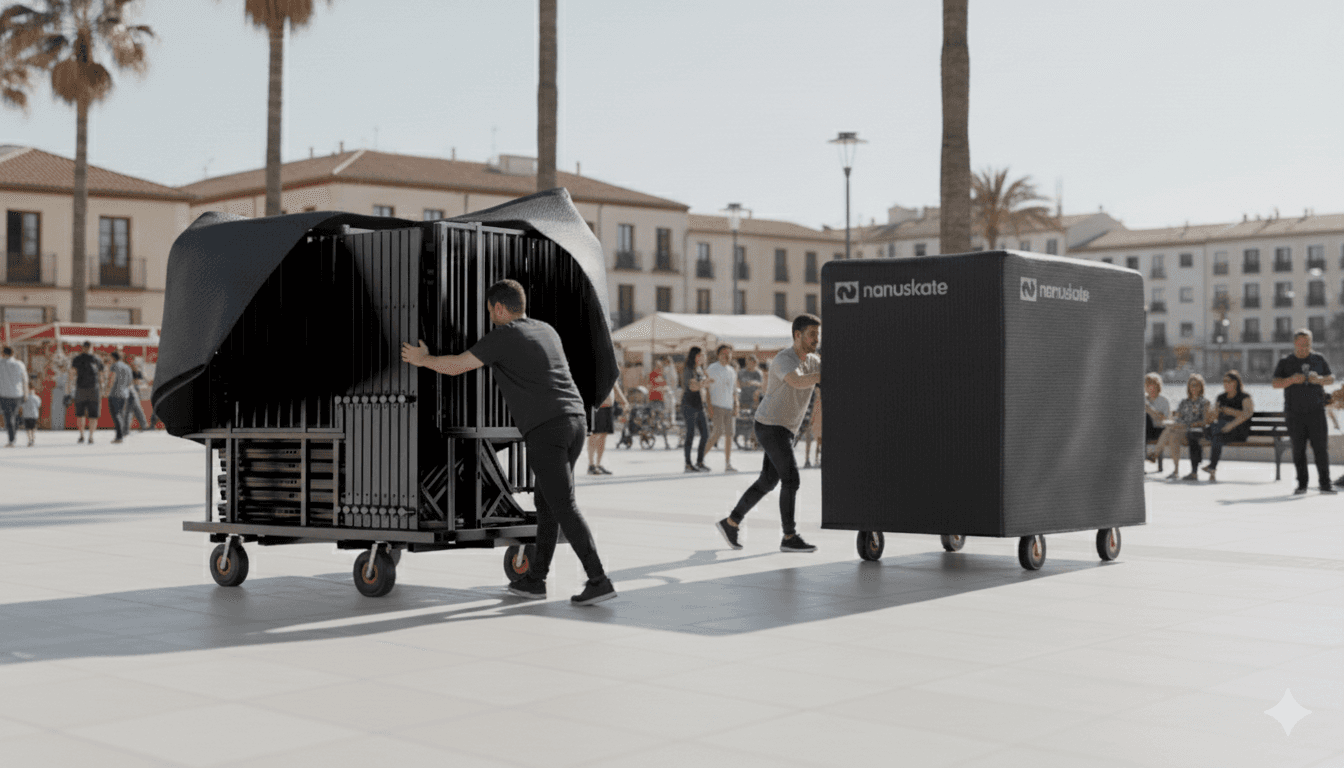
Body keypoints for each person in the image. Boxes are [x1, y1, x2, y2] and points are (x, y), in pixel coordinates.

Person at [401, 278, 617, 605]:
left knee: (564, 505)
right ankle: (535, 580)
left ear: (500, 308)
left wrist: (423, 360)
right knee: (547, 505)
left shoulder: (503, 337)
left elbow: (458, 366)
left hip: (547, 429)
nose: (490, 317)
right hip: (575, 422)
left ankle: (598, 579)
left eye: (490, 311)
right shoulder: (545, 329)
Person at [715, 314, 822, 553]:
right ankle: (789, 536)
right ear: (798, 335)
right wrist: (819, 377)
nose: (817, 338)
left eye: (818, 334)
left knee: (768, 481)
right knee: (791, 478)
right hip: (770, 425)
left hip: (786, 428)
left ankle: (731, 522)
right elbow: (796, 380)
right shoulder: (785, 359)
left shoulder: (814, 361)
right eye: (812, 334)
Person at [1272, 329, 1336, 494]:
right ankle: (1302, 484)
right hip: (1294, 413)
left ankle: (1325, 483)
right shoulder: (1285, 361)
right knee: (1298, 449)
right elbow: (1275, 383)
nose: (1304, 348)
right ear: (1295, 343)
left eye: (1307, 344)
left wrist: (1320, 380)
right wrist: (1292, 379)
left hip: (1316, 412)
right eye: (1301, 344)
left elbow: (1331, 378)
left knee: (1321, 448)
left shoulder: (1318, 359)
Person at [1154, 373, 1211, 481]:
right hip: (1182, 431)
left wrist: (1188, 424)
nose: (1194, 388)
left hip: (1195, 432)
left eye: (1196, 385)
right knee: (1173, 435)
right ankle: (1175, 471)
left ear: (1201, 387)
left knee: (1170, 429)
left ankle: (1155, 454)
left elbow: (1205, 422)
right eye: (1191, 385)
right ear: (1188, 387)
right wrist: (1174, 420)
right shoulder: (1184, 402)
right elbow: (1178, 417)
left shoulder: (1205, 403)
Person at [1201, 370, 1253, 482]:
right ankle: (1212, 468)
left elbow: (1248, 414)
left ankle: (1211, 466)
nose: (1226, 383)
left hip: (1237, 430)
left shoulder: (1245, 397)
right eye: (1224, 381)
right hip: (1221, 430)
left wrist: (1231, 415)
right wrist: (1210, 412)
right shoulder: (1221, 397)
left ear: (1236, 382)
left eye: (1229, 381)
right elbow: (1214, 417)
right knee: (1217, 436)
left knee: (1214, 431)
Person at [704, 344, 740, 472]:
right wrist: (709, 407)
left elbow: (734, 390)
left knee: (730, 435)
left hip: (729, 406)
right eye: (724, 353)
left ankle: (728, 464)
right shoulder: (712, 369)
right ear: (719, 355)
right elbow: (707, 390)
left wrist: (736, 404)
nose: (727, 355)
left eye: (729, 353)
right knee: (717, 433)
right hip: (716, 405)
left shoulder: (732, 371)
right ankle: (700, 458)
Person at [680, 346, 711, 472]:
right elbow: (692, 387)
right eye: (701, 355)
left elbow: (701, 387)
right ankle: (688, 464)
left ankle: (700, 461)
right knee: (690, 434)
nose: (703, 357)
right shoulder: (688, 369)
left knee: (705, 434)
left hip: (699, 405)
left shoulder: (700, 369)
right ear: (695, 356)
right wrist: (704, 383)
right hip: (689, 404)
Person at [586, 381, 627, 475]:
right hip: (596, 406)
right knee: (594, 434)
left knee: (603, 435)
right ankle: (591, 465)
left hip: (608, 406)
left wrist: (624, 401)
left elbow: (615, 386)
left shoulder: (610, 367)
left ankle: (598, 464)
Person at [71, 341, 103, 444]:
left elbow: (101, 376)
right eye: (87, 347)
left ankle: (87, 436)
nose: (88, 349)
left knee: (88, 414)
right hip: (86, 389)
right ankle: (85, 436)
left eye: (88, 347)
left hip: (88, 389)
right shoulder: (80, 359)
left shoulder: (95, 360)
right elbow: (72, 374)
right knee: (84, 414)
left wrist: (101, 388)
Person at [0, 347, 27, 448]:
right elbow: (25, 380)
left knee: (8, 416)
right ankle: (13, 436)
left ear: (3, 353)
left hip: (4, 394)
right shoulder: (19, 364)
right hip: (17, 394)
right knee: (14, 415)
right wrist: (26, 393)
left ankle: (11, 439)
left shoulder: (0, 363)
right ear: (13, 353)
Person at [106, 351, 134, 444]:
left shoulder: (114, 366)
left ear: (113, 358)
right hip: (124, 394)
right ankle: (122, 433)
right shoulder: (127, 367)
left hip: (114, 393)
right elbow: (130, 381)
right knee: (121, 414)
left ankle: (119, 436)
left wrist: (107, 390)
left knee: (116, 415)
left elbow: (112, 378)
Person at [1143, 372, 1170, 462]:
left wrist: (1150, 410)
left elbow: (1165, 420)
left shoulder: (1163, 401)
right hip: (1145, 430)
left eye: (1150, 384)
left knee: (1146, 418)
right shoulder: (1143, 399)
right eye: (1146, 384)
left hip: (1158, 430)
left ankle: (1147, 458)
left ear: (1157, 385)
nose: (1147, 387)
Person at [123, 355, 152, 432]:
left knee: (131, 409)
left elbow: (138, 380)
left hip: (132, 389)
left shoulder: (131, 368)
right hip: (134, 389)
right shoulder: (133, 369)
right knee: (136, 408)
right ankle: (144, 425)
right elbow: (139, 379)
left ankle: (127, 428)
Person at [804, 388, 822, 468]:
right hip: (809, 418)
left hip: (816, 418)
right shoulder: (809, 392)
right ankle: (808, 460)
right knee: (809, 440)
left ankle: (816, 459)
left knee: (819, 441)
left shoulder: (816, 392)